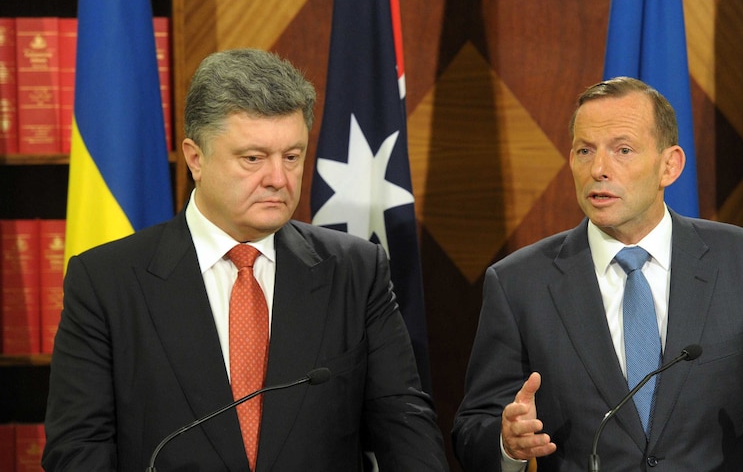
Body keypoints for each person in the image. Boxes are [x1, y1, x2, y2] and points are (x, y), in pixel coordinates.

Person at [43, 48, 449, 471]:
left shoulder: (356, 271)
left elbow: (406, 431)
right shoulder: (106, 281)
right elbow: (77, 449)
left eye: (292, 157)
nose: (278, 178)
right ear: (195, 158)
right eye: (253, 158)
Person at [452, 76, 743, 472]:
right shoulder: (519, 283)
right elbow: (473, 427)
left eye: (622, 150)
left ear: (669, 166)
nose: (599, 169)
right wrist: (506, 444)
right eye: (584, 150)